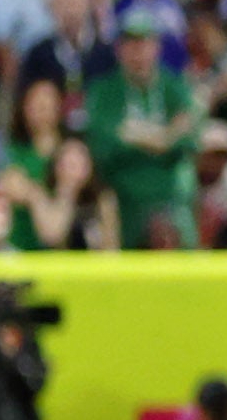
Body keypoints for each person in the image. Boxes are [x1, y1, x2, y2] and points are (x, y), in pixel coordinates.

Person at [83, 14, 203, 248]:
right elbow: (104, 144)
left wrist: (133, 133)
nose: (137, 52)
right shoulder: (104, 91)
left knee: (184, 197)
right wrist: (166, 136)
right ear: (119, 49)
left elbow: (190, 138)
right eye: (130, 44)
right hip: (124, 195)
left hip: (171, 193)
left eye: (144, 43)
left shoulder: (174, 86)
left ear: (156, 47)